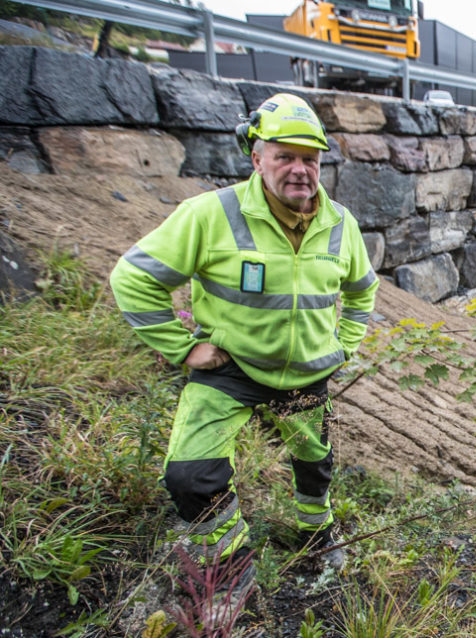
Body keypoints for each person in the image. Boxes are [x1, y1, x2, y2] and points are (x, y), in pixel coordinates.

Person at [110, 93, 378, 584]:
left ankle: (317, 534)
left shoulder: (341, 224)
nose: (300, 170)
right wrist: (184, 347)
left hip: (309, 374)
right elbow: (133, 278)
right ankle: (231, 570)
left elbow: (363, 291)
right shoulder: (211, 214)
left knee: (314, 465)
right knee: (192, 475)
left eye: (310, 159)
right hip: (230, 370)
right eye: (285, 156)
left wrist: (345, 344)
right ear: (257, 158)